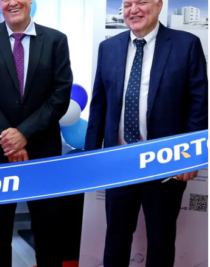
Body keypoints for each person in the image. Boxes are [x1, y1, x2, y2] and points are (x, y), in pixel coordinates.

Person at [85, 0, 208, 266]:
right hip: (119, 164)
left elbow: (198, 106)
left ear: (159, 4)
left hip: (165, 164)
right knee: (115, 239)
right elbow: (99, 106)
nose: (134, 9)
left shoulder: (186, 45)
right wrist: (92, 159)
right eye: (128, 4)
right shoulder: (108, 48)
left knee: (161, 241)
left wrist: (191, 157)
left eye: (141, 1)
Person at [0, 0, 73, 266]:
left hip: (43, 152)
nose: (13, 2)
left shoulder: (56, 40)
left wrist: (24, 134)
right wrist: (10, 139)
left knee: (48, 231)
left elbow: (60, 95)